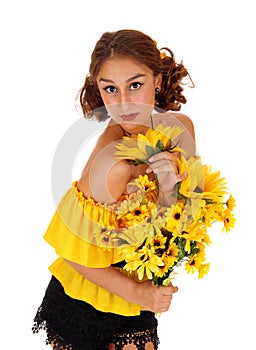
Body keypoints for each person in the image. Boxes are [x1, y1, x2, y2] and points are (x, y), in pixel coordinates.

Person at [32, 29, 196, 350]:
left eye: (135, 85)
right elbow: (73, 253)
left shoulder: (181, 130)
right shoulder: (111, 165)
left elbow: (182, 218)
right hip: (83, 298)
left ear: (158, 79)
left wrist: (172, 191)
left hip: (138, 292)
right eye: (110, 89)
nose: (123, 103)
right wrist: (139, 293)